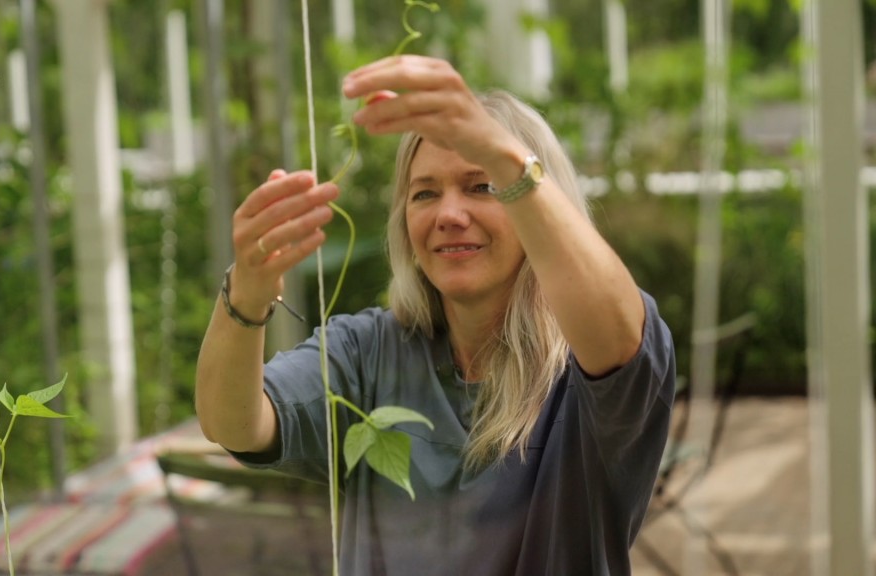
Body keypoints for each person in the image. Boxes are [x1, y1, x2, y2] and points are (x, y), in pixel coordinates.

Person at [196, 55, 676, 576]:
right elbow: (234, 424)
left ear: (539, 205)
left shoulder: (585, 374)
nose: (449, 215)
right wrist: (245, 293)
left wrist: (501, 153)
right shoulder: (369, 351)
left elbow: (623, 337)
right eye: (425, 192)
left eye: (480, 185)